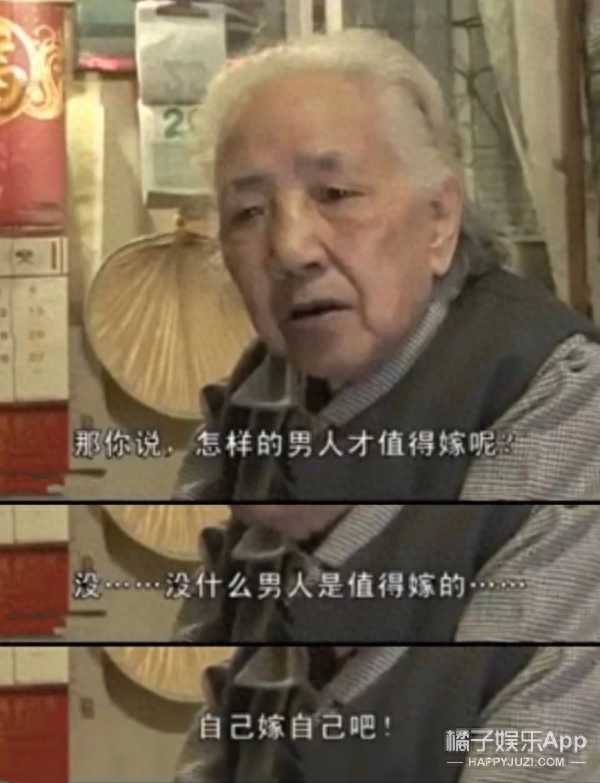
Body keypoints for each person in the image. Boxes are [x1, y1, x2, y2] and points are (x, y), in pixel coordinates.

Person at [174, 28, 600, 503]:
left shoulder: (553, 399)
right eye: (249, 213)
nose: (291, 249)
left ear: (439, 218)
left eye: (336, 195)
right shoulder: (262, 392)